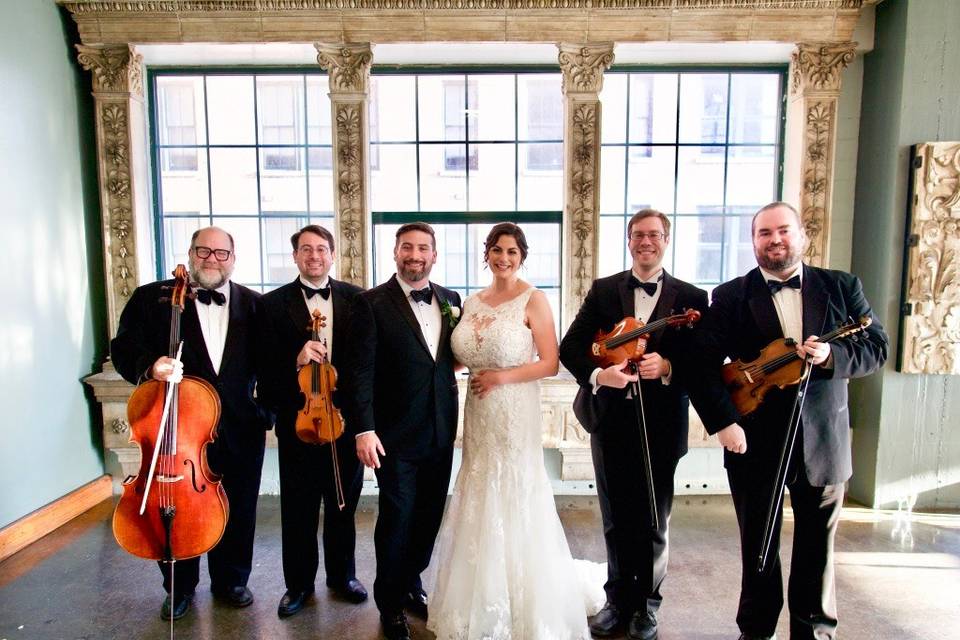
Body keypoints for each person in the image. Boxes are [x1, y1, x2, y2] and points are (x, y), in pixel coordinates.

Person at [690, 202, 888, 640]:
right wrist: (723, 422)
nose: (774, 239)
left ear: (802, 235)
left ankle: (814, 631)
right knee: (758, 544)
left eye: (782, 230)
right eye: (764, 233)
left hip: (823, 438)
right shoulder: (729, 295)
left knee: (818, 545)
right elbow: (700, 364)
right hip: (753, 437)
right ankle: (756, 630)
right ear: (754, 241)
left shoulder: (841, 287)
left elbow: (876, 347)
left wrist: (833, 355)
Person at [428, 222, 605, 640]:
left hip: (511, 408)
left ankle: (525, 599)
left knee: (514, 490)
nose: (503, 258)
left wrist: (500, 380)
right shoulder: (470, 302)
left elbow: (549, 362)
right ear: (486, 254)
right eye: (496, 250)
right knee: (478, 486)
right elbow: (460, 356)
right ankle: (479, 595)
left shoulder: (533, 298)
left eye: (511, 251)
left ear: (522, 256)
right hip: (478, 413)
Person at [559, 209, 709, 640]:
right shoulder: (605, 290)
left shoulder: (692, 298)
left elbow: (701, 361)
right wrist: (598, 374)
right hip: (610, 420)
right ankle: (616, 601)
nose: (647, 242)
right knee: (614, 516)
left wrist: (667, 366)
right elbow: (572, 347)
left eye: (655, 235)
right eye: (639, 235)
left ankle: (647, 606)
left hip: (661, 424)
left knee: (654, 520)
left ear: (666, 240)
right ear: (629, 240)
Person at [111, 226, 272, 620]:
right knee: (177, 509)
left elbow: (272, 364)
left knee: (238, 507)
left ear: (233, 259)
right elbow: (123, 347)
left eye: (221, 253)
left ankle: (232, 579)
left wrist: (264, 413)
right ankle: (179, 588)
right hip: (178, 433)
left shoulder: (255, 305)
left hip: (239, 426)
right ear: (190, 252)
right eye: (204, 251)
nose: (211, 259)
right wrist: (151, 366)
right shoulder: (154, 299)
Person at [341, 222, 462, 640]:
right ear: (395, 253)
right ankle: (390, 604)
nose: (415, 255)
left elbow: (445, 360)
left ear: (434, 254)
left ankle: (412, 581)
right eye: (407, 247)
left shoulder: (450, 299)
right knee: (397, 518)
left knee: (429, 517)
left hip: (441, 430)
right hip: (392, 437)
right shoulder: (370, 303)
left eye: (423, 248)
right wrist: (363, 430)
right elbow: (359, 372)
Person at [260, 225, 367, 619]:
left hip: (345, 422)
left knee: (343, 504)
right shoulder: (271, 305)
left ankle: (343, 577)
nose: (314, 256)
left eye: (321, 249)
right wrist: (296, 358)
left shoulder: (358, 300)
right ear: (295, 256)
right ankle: (299, 586)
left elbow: (365, 363)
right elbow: (263, 369)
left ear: (333, 254)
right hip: (300, 421)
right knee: (299, 509)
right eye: (306, 249)